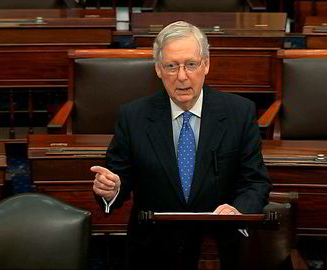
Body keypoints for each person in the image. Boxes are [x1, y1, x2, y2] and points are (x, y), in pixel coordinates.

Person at [91, 20, 271, 270]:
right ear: (158, 69)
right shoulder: (133, 117)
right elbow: (119, 179)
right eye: (172, 66)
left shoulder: (239, 113)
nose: (182, 76)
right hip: (153, 250)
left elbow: (255, 182)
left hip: (218, 250)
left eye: (191, 64)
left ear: (206, 65)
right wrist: (112, 191)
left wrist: (238, 211)